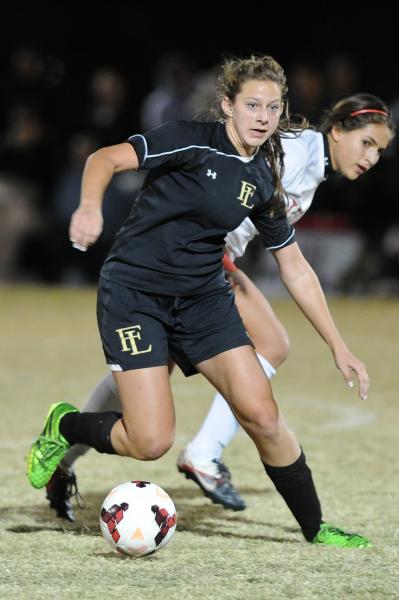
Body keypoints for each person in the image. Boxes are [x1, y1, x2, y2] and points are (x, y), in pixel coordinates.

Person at [28, 55, 372, 547]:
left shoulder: (264, 177)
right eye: (252, 105)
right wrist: (88, 207)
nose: (262, 117)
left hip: (202, 300)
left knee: (262, 413)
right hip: (136, 294)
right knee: (149, 441)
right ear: (228, 105)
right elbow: (103, 158)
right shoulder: (190, 139)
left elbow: (293, 265)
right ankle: (65, 425)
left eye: (273, 108)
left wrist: (339, 346)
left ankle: (317, 528)